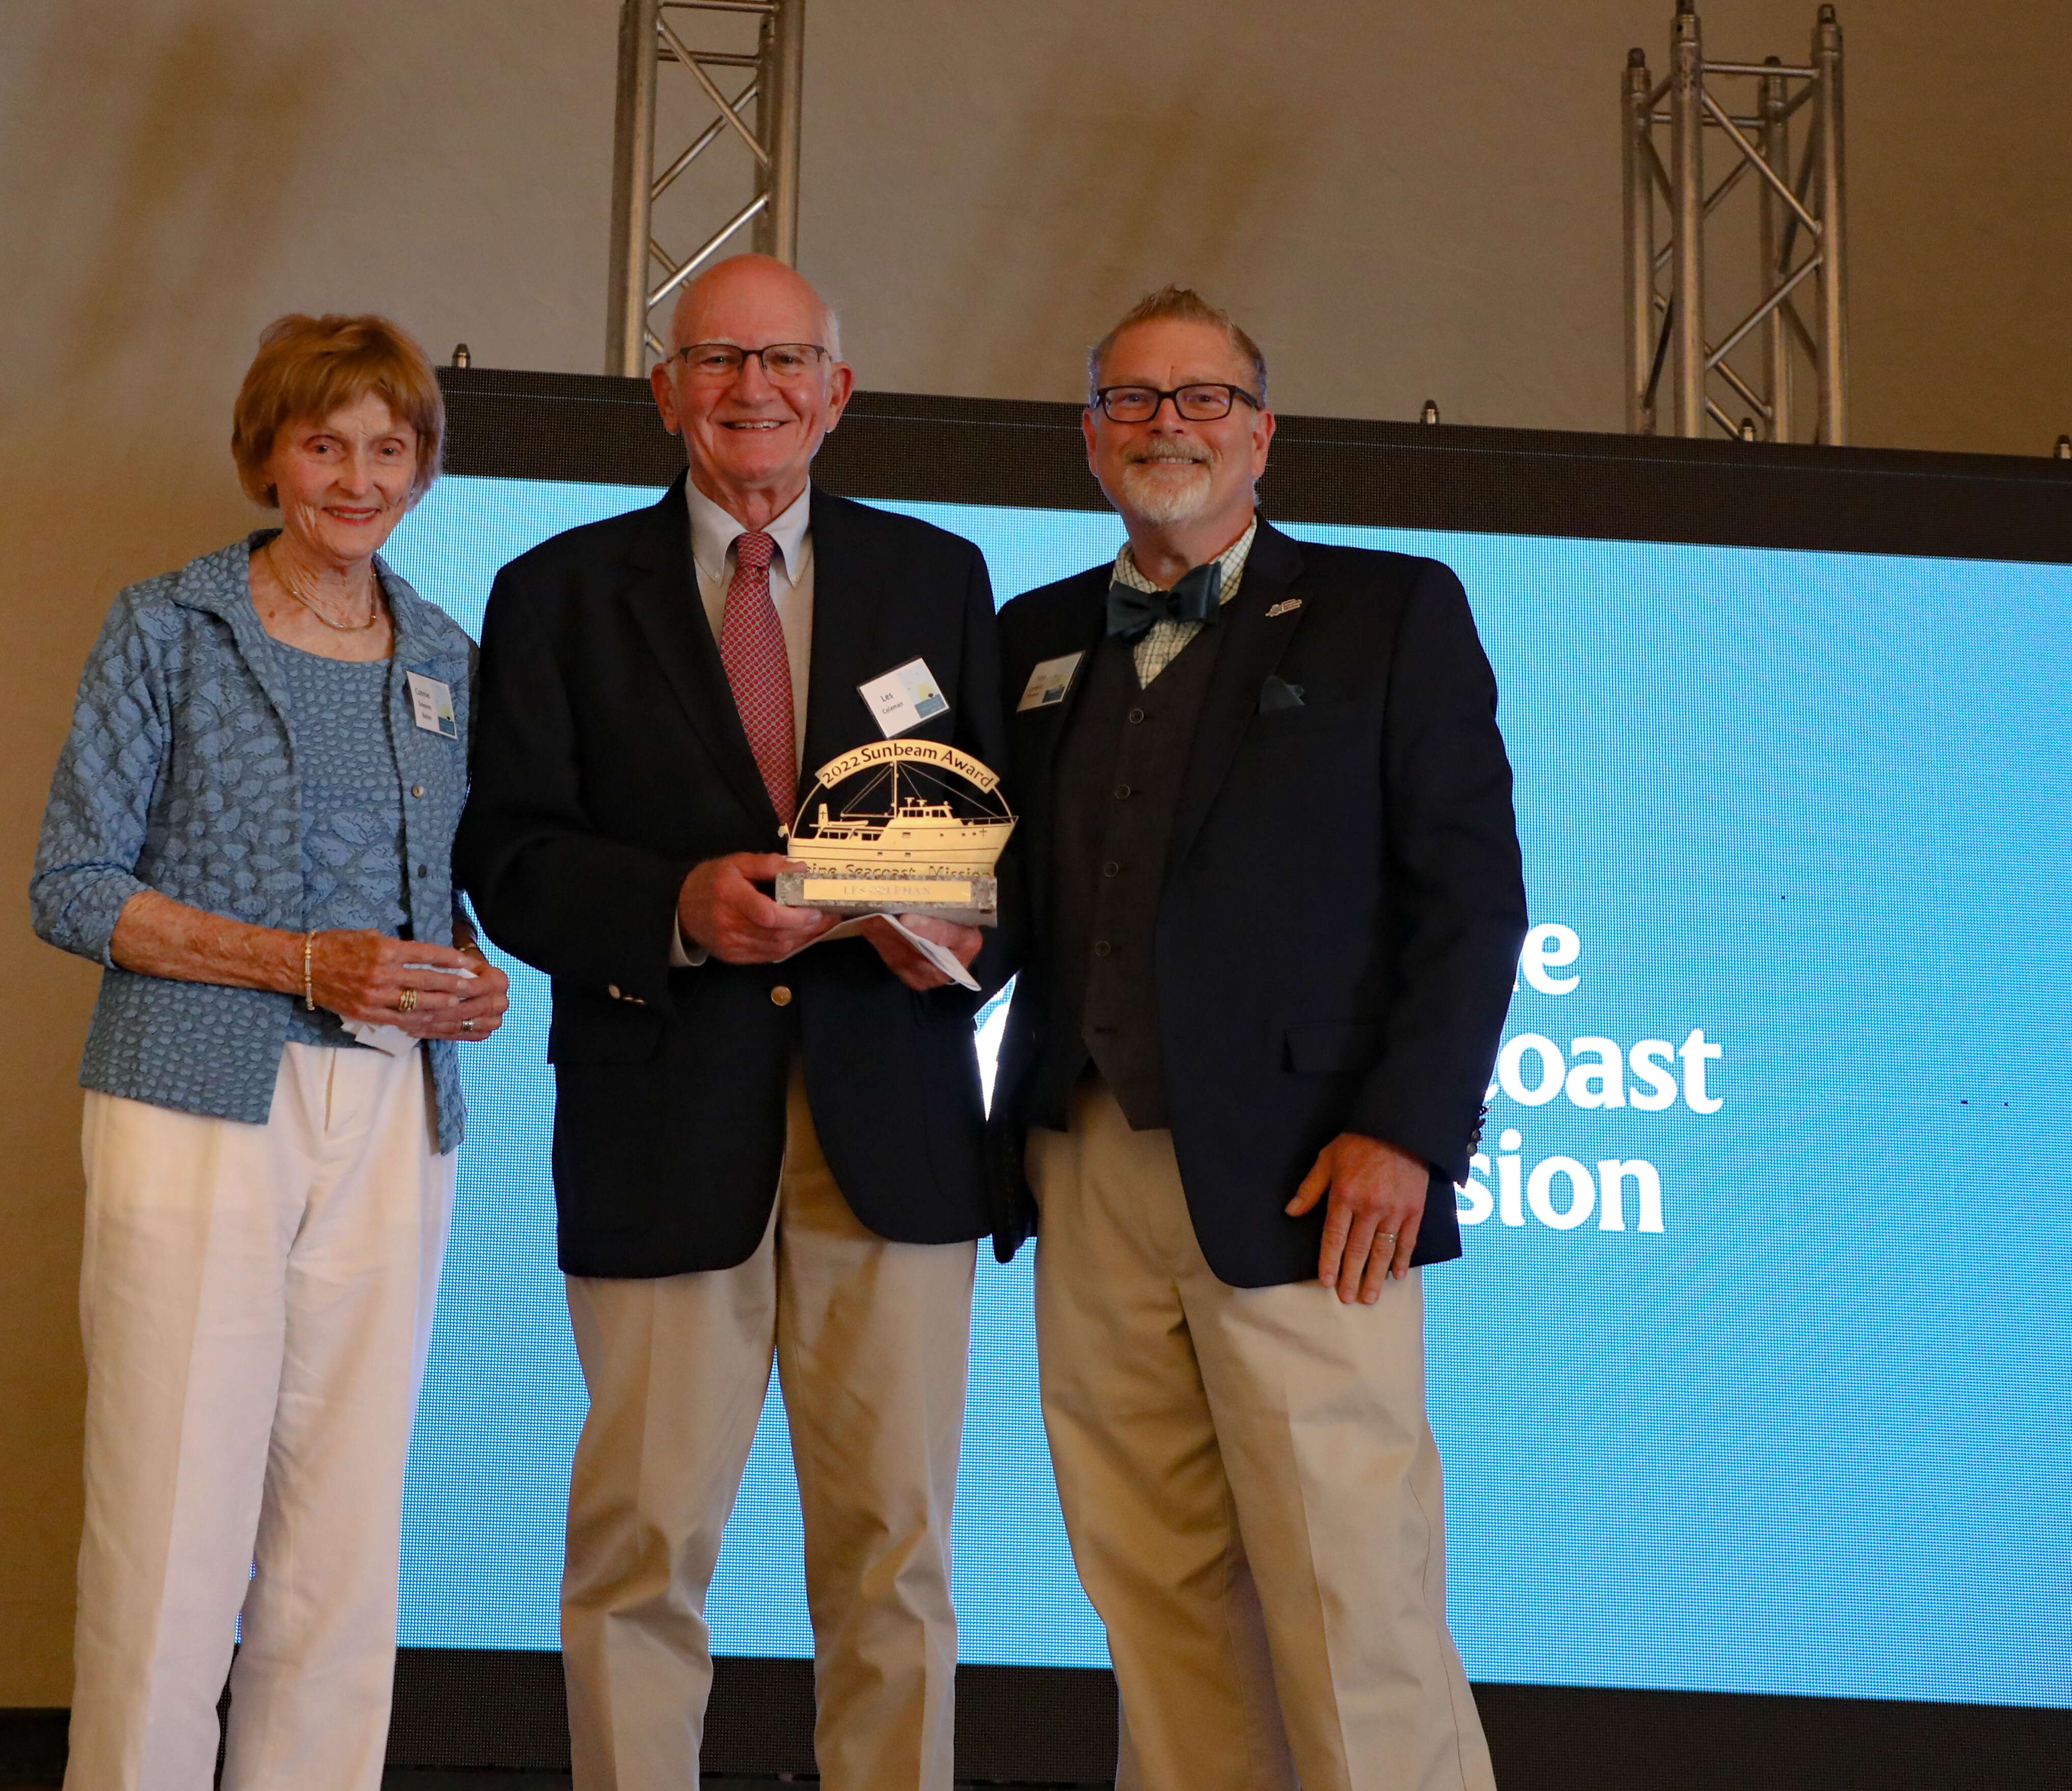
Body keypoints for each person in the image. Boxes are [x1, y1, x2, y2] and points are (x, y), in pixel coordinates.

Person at [455, 253, 1006, 1791]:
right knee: (640, 1546)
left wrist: (966, 938)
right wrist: (675, 907)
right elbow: (508, 855)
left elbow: (1002, 850)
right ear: (662, 391)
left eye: (783, 361)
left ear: (838, 393)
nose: (748, 389)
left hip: (888, 1125)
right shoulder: (556, 591)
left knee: (894, 1553)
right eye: (713, 360)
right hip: (659, 1124)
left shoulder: (939, 579)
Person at [990, 286, 1526, 1791]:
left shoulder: (1387, 607)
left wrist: (1410, 1130)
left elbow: (1470, 897)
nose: (1171, 424)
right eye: (1136, 400)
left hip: (1313, 1178)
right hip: (1083, 1163)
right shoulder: (1030, 639)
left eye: (1204, 396)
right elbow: (994, 897)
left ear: (1261, 430)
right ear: (1092, 438)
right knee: (1151, 1592)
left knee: (1353, 1593)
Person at [30, 312, 510, 1791]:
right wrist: (299, 964)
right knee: (172, 1526)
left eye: (388, 446)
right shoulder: (166, 626)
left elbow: (447, 887)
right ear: (267, 454)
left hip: (390, 1113)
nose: (356, 476)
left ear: (421, 468)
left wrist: (471, 982)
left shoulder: (445, 651)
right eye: (325, 443)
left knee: (346, 1536)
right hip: (195, 1095)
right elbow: (72, 886)